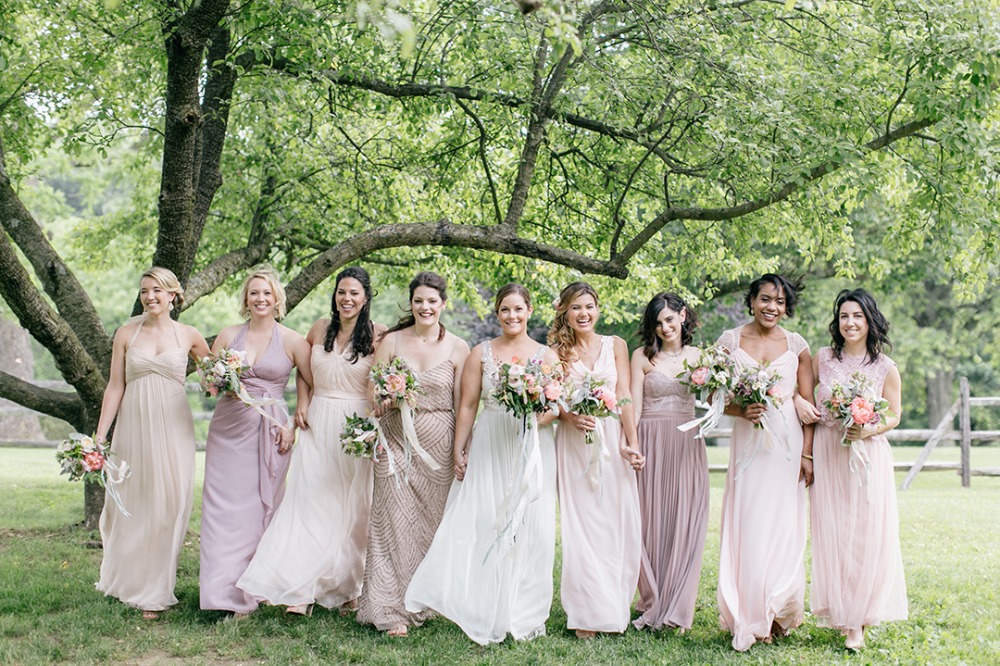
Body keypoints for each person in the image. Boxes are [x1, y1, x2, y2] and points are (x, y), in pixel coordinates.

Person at [405, 283, 558, 644]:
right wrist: (460, 448)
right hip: (490, 441)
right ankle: (484, 605)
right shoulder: (481, 353)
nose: (512, 316)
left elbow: (554, 406)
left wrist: (530, 423)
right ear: (497, 313)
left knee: (531, 525)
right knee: (487, 520)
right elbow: (468, 405)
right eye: (505, 309)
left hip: (530, 444)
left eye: (518, 309)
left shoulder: (545, 356)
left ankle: (523, 609)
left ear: (530, 311)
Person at [237, 267, 385, 615]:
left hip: (355, 426)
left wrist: (374, 423)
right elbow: (304, 374)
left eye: (354, 293)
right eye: (341, 292)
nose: (346, 299)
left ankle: (348, 584)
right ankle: (301, 588)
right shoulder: (319, 328)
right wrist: (302, 403)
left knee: (352, 506)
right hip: (317, 422)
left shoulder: (379, 335)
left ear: (365, 298)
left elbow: (379, 384)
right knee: (309, 502)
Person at [356, 271, 469, 637]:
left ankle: (423, 599)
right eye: (419, 300)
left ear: (443, 305)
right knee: (390, 521)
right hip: (395, 441)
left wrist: (459, 450)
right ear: (411, 303)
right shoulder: (391, 341)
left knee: (429, 524)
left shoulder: (458, 347)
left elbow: (463, 404)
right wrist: (386, 399)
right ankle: (387, 607)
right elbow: (372, 393)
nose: (425, 307)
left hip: (438, 445)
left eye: (432, 301)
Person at [94, 267, 210, 620]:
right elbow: (116, 386)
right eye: (145, 291)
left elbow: (214, 379)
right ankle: (132, 580)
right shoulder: (126, 333)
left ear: (173, 295)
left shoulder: (190, 335)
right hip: (133, 425)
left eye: (158, 290)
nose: (150, 297)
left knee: (169, 501)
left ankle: (157, 588)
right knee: (135, 499)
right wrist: (100, 437)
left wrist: (223, 379)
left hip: (174, 424)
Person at [199, 264, 313, 617]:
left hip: (272, 429)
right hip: (228, 427)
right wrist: (217, 381)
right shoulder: (227, 335)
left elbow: (309, 383)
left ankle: (256, 587)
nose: (260, 298)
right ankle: (221, 593)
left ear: (277, 299)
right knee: (222, 509)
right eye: (254, 293)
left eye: (267, 293)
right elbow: (207, 384)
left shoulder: (293, 340)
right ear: (246, 300)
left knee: (259, 510)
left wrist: (294, 423)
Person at [715, 273, 815, 651]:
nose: (772, 307)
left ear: (786, 306)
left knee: (782, 527)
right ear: (752, 301)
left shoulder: (797, 346)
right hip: (748, 445)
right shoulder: (729, 341)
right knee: (750, 525)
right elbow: (715, 398)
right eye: (765, 299)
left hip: (786, 448)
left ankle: (774, 609)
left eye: (780, 301)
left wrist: (807, 456)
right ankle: (749, 612)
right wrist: (741, 409)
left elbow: (807, 406)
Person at [808, 288, 907, 650]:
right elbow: (803, 394)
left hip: (867, 452)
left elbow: (894, 414)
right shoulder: (822, 359)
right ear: (837, 322)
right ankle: (842, 610)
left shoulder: (884, 367)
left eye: (857, 316)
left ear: (870, 321)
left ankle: (858, 622)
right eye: (844, 316)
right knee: (833, 530)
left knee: (866, 531)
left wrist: (868, 427)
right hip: (830, 450)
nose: (850, 323)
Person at [547, 281, 644, 639]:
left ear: (598, 309)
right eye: (575, 307)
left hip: (611, 441)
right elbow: (551, 399)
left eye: (589, 306)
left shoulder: (615, 345)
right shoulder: (555, 351)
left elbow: (625, 396)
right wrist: (569, 417)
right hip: (574, 444)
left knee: (615, 524)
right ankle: (586, 614)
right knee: (581, 526)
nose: (583, 313)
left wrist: (630, 443)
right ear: (565, 312)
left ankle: (613, 607)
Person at [630, 292, 708, 632]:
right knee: (648, 521)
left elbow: (720, 397)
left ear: (683, 316)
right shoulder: (642, 357)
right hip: (649, 440)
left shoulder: (701, 357)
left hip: (687, 443)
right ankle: (651, 598)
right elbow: (632, 403)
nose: (664, 327)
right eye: (658, 323)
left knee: (685, 519)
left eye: (670, 320)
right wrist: (631, 444)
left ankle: (677, 602)